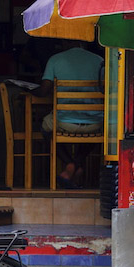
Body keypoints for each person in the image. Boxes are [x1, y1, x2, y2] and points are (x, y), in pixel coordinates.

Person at [32, 40, 104, 188]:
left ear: (64, 41)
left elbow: (44, 91)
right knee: (98, 134)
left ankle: (70, 164)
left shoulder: (55, 59)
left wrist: (32, 89)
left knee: (45, 129)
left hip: (64, 122)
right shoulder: (99, 60)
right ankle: (77, 164)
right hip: (95, 124)